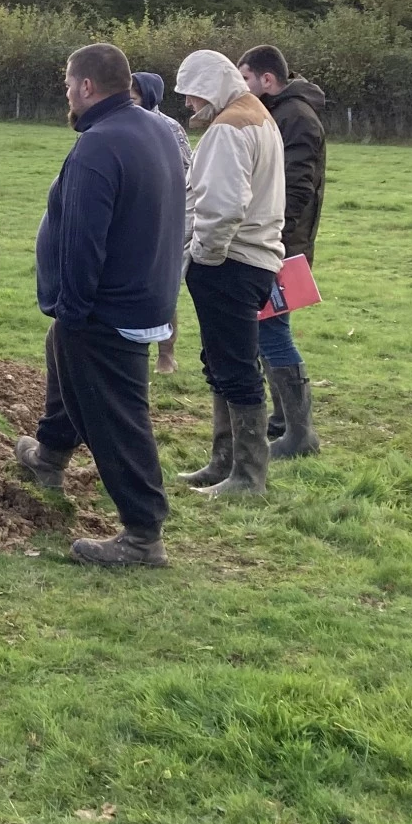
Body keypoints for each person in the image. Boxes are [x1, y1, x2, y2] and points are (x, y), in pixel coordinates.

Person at [15, 43, 185, 565]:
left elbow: (83, 240)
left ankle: (142, 534)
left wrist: (74, 310)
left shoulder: (98, 147)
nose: (66, 94)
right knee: (60, 355)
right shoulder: (155, 129)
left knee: (117, 417)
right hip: (145, 292)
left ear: (87, 86)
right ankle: (50, 454)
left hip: (108, 308)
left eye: (68, 85)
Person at [173, 49, 286, 497]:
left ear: (212, 87)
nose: (188, 104)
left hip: (230, 262)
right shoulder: (255, 114)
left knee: (235, 365)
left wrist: (204, 255)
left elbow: (221, 208)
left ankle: (246, 476)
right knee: (222, 358)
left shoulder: (227, 128)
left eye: (193, 93)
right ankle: (224, 462)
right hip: (251, 260)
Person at [238, 44, 326, 459]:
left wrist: (273, 243)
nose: (242, 89)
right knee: (262, 331)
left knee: (272, 332)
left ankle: (299, 435)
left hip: (281, 249)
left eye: (245, 80)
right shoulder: (282, 114)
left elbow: (296, 189)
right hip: (278, 243)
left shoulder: (295, 118)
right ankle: (282, 422)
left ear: (267, 80)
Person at [131, 71, 192, 376]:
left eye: (134, 95)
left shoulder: (169, 128)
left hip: (163, 216)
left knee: (162, 287)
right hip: (130, 217)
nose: (129, 100)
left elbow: (186, 171)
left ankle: (165, 355)